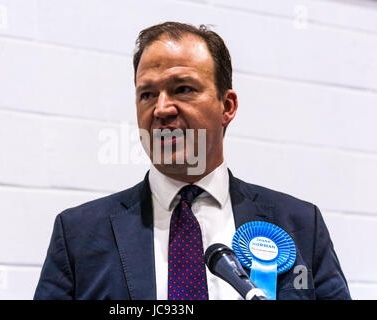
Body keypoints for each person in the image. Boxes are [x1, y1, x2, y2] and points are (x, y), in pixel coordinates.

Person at [34, 22, 351, 300]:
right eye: (146, 94)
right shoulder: (79, 235)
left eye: (182, 89)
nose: (161, 109)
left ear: (226, 106)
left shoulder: (300, 225)